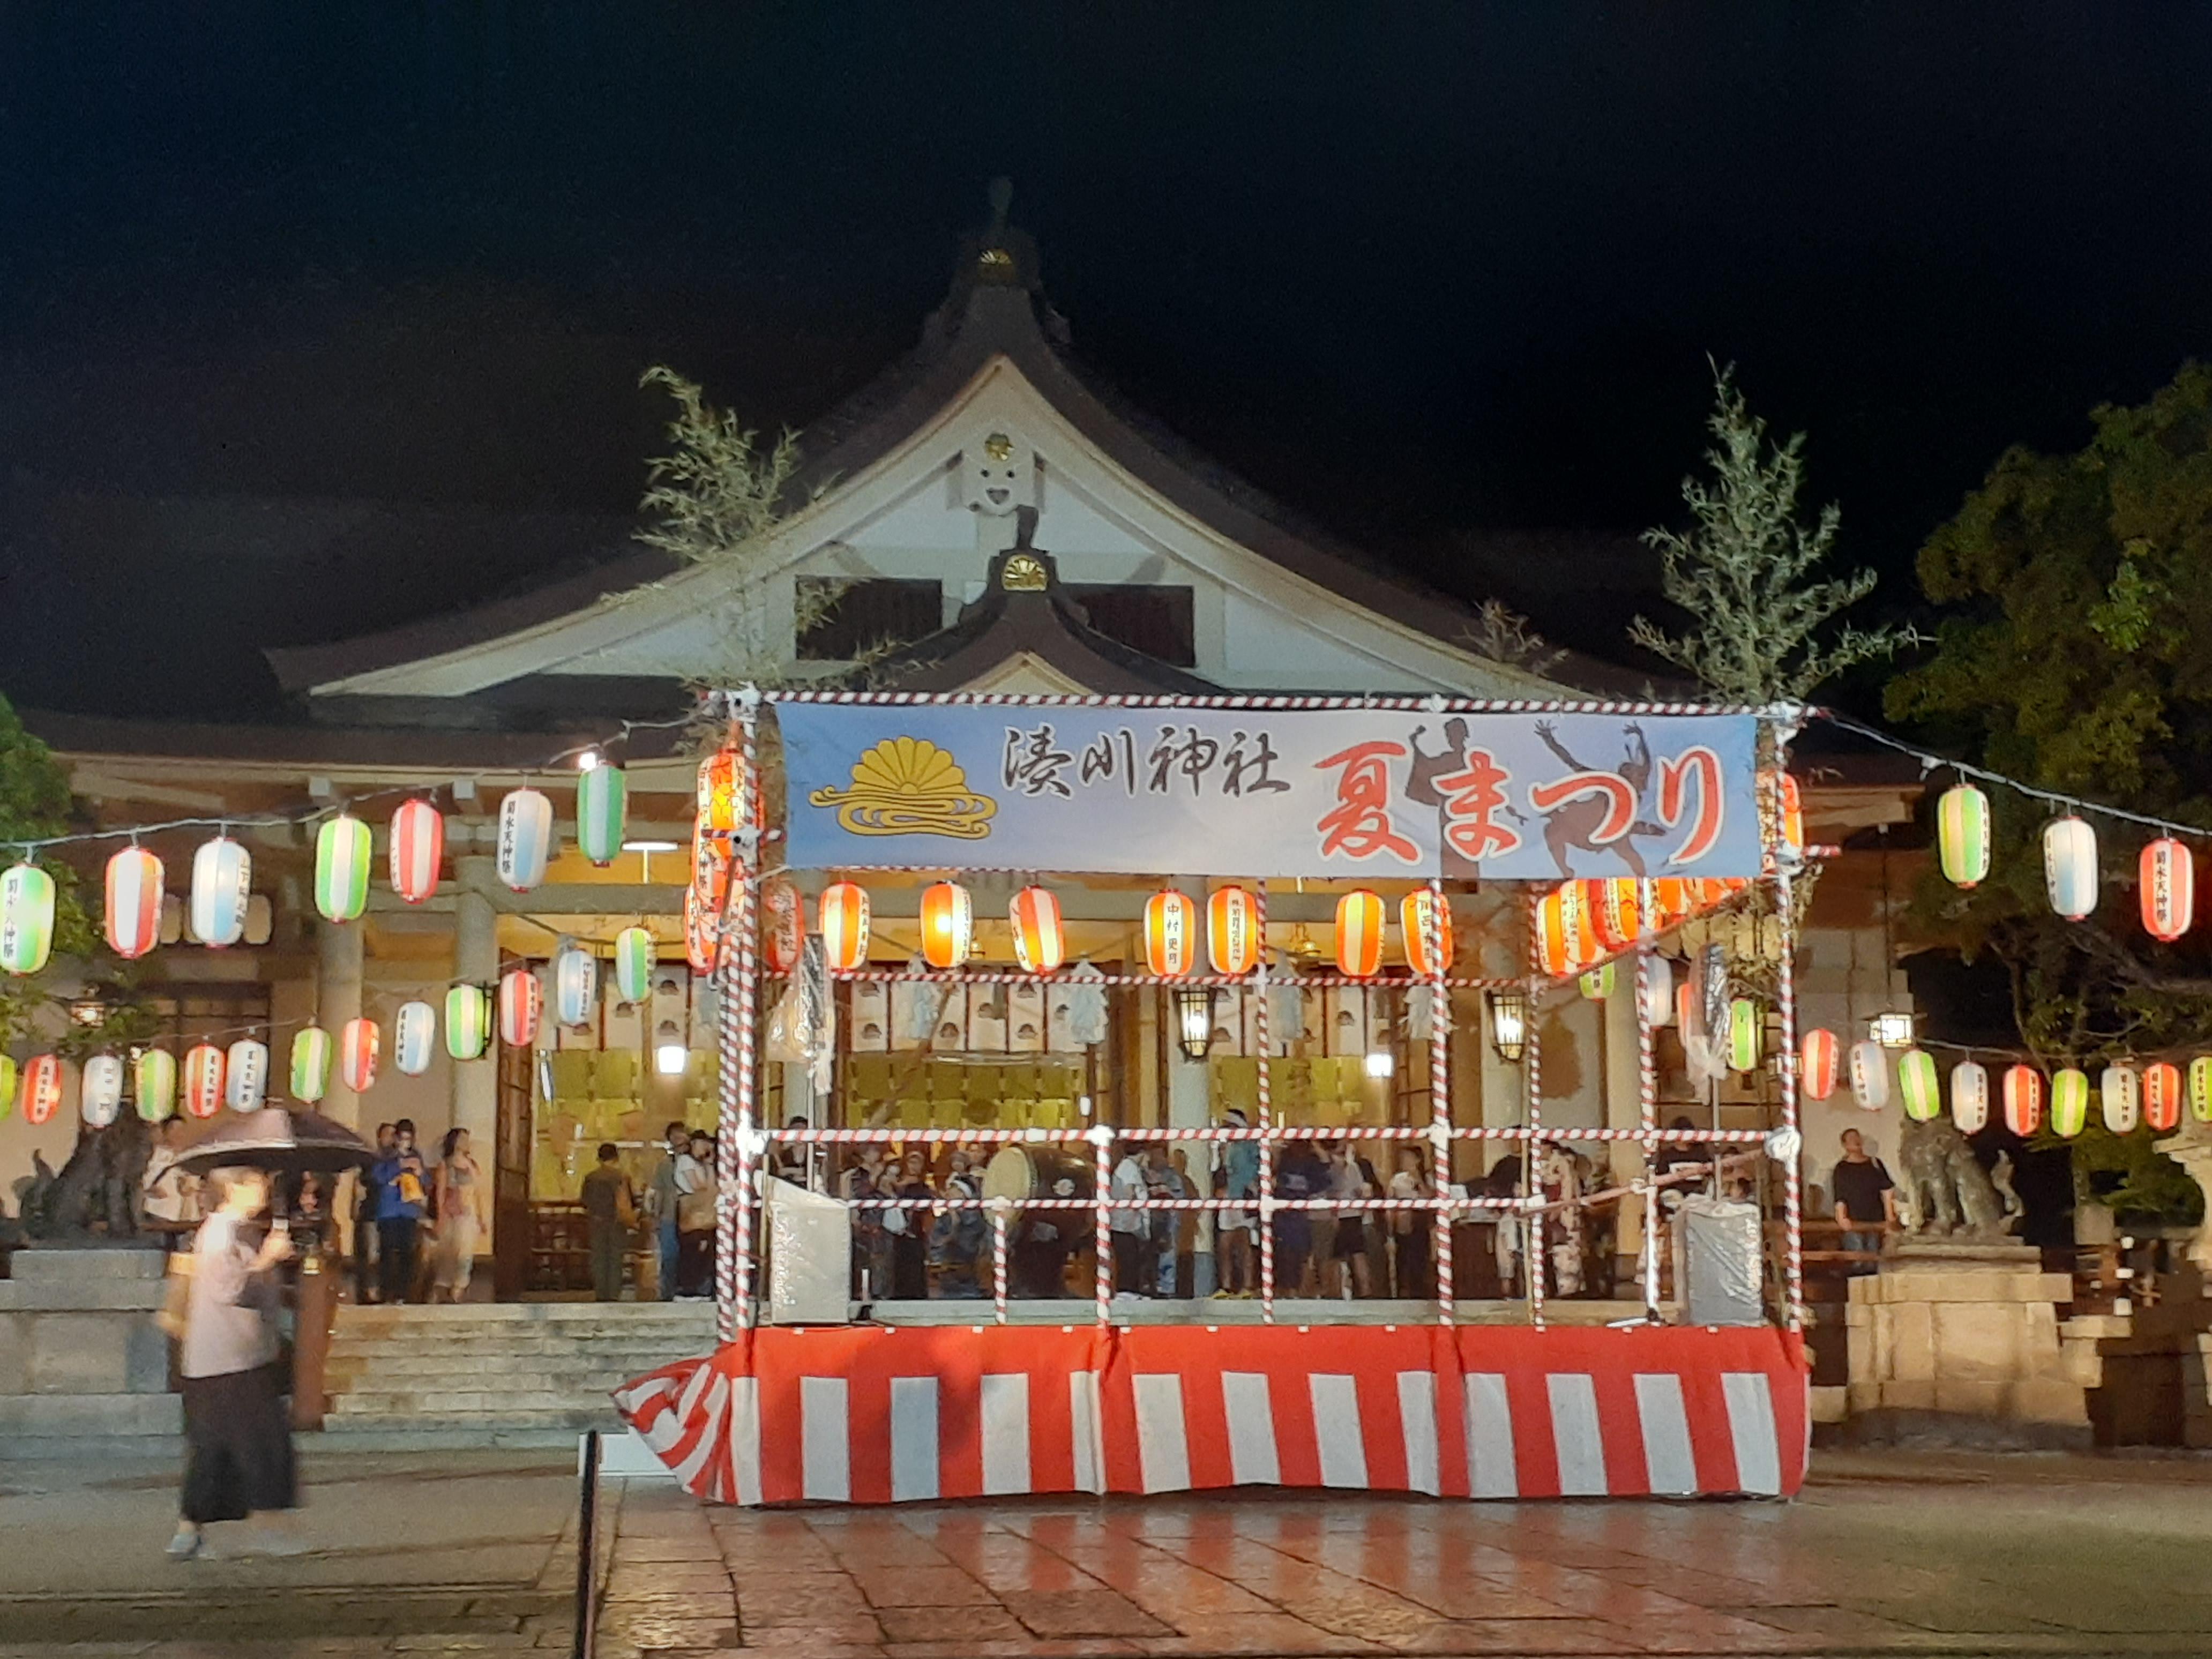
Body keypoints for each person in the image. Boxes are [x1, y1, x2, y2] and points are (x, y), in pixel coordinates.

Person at [168, 1166, 299, 1561]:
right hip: (228, 1357)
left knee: (215, 1448)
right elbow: (229, 1289)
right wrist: (267, 1260)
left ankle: (190, 1531)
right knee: (260, 1444)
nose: (263, 1191)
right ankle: (266, 1528)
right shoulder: (220, 1234)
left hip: (232, 1356)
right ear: (234, 1188)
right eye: (256, 1184)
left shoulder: (236, 1231)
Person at [368, 1120, 428, 1305]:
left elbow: (426, 1182)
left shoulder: (416, 1156)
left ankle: (403, 1293)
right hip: (389, 1211)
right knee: (388, 1251)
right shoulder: (385, 1156)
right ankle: (387, 1292)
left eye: (409, 1138)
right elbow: (377, 1176)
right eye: (402, 1138)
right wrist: (398, 1167)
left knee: (407, 1252)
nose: (405, 1142)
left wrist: (420, 1172)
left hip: (408, 1210)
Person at [427, 1128, 487, 1303]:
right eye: (462, 1139)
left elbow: (478, 1192)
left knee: (465, 1252)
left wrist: (482, 1217)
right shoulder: (446, 1165)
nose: (466, 1143)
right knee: (449, 1253)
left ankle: (459, 1286)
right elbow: (440, 1194)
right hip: (451, 1214)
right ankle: (442, 1287)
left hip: (468, 1213)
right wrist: (440, 1216)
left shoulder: (471, 1165)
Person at [1832, 1128, 1896, 1272]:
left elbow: (1887, 1190)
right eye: (1851, 1139)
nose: (1855, 1141)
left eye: (1857, 1137)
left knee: (1874, 1260)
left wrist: (1890, 1218)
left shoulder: (1875, 1163)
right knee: (1857, 1260)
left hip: (1875, 1219)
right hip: (1854, 1220)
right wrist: (1841, 1217)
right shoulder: (1842, 1168)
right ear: (1845, 1145)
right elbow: (1840, 1195)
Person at [580, 1143, 637, 1302]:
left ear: (599, 1158)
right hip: (617, 1222)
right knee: (615, 1258)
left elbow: (585, 1201)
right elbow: (630, 1202)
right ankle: (613, 1294)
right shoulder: (622, 1177)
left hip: (596, 1221)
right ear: (616, 1158)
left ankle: (601, 1293)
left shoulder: (591, 1178)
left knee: (598, 1257)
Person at [838, 1145, 893, 1301]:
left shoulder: (883, 1174)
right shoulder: (854, 1176)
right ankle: (863, 1292)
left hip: (881, 1221)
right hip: (864, 1221)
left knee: (881, 1260)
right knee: (864, 1259)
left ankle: (879, 1293)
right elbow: (857, 1195)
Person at [929, 1147, 985, 1298]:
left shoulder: (973, 1217)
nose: (949, 1194)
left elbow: (968, 1244)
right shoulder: (944, 1217)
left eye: (954, 1192)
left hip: (966, 1277)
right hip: (947, 1279)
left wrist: (956, 1224)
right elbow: (936, 1241)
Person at [1273, 1140, 1325, 1297]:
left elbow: (1322, 1183)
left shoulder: (1312, 1162)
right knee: (1284, 1253)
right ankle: (1286, 1288)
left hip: (1300, 1215)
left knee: (1300, 1253)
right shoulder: (1284, 1159)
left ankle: (1298, 1289)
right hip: (1283, 1214)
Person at [1215, 1109, 1259, 1296]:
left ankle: (1247, 1286)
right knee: (1225, 1243)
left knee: (1243, 1242)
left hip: (1244, 1197)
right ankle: (1226, 1286)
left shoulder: (1251, 1148)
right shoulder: (1226, 1148)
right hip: (1228, 1198)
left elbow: (1255, 1171)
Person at [645, 1122, 689, 1301]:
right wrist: (656, 1216)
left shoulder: (697, 1161)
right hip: (669, 1216)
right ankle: (668, 1292)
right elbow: (659, 1192)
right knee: (669, 1255)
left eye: (682, 1134)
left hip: (691, 1216)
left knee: (688, 1255)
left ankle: (687, 1290)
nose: (678, 1138)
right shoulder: (665, 1165)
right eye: (674, 1135)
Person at [1325, 1141, 1374, 1298]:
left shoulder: (1347, 1168)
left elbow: (1337, 1193)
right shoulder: (1344, 1168)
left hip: (1346, 1215)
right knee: (1351, 1253)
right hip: (1350, 1214)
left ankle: (1346, 1291)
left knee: (1344, 1255)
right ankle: (1353, 1290)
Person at [140, 1119, 199, 1248]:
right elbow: (141, 1178)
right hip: (158, 1213)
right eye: (174, 1129)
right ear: (165, 1132)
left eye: (182, 1130)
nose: (178, 1134)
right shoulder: (154, 1155)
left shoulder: (189, 1156)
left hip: (182, 1217)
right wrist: (148, 1191)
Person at [353, 1124, 394, 1302]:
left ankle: (386, 1290)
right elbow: (360, 1187)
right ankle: (371, 1289)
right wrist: (355, 1207)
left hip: (391, 1215)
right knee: (372, 1254)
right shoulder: (371, 1162)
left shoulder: (398, 1162)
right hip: (372, 1213)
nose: (390, 1139)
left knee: (389, 1253)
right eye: (387, 1135)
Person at [674, 1131, 718, 1299]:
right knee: (693, 1250)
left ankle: (700, 1287)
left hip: (703, 1212)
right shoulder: (685, 1161)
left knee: (704, 1251)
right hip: (693, 1211)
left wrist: (709, 1165)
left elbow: (710, 1188)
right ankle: (689, 1287)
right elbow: (699, 1187)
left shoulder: (700, 1164)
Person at [887, 1148, 935, 1299]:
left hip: (917, 1230)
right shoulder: (895, 1184)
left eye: (918, 1163)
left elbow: (927, 1207)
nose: (914, 1166)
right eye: (911, 1162)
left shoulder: (924, 1188)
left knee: (916, 1262)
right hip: (896, 1231)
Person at [1388, 1146, 1434, 1298]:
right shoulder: (1397, 1180)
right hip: (1402, 1222)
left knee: (1419, 1259)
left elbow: (1430, 1198)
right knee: (1402, 1259)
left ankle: (1419, 1290)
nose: (1405, 1161)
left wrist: (1419, 1180)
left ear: (1418, 1160)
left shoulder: (1427, 1178)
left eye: (1408, 1158)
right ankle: (1403, 1290)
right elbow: (1390, 1202)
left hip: (1420, 1222)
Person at [1109, 1141, 1153, 1297]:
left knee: (1133, 1259)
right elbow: (1129, 1193)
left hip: (1128, 1224)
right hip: (1126, 1224)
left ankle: (1132, 1291)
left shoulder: (1130, 1168)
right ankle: (1126, 1292)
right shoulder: (1129, 1168)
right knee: (1129, 1259)